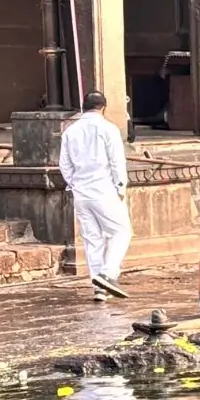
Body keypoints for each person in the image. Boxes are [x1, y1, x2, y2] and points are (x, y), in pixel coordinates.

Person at [58, 91, 132, 301]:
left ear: (84, 106)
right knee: (121, 232)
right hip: (105, 189)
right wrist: (120, 187)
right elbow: (117, 161)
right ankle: (107, 274)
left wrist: (74, 183)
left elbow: (64, 164)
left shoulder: (70, 131)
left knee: (93, 239)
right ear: (103, 107)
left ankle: (99, 288)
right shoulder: (108, 129)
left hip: (81, 191)